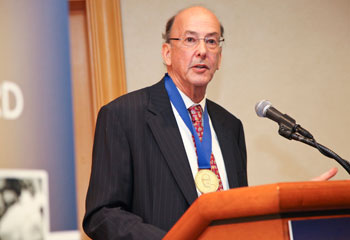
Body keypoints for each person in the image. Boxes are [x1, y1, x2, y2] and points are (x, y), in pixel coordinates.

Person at [83, 6, 337, 240]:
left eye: (211, 41)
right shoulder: (124, 115)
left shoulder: (230, 126)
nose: (202, 50)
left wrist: (290, 203)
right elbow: (102, 214)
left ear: (219, 57)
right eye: (190, 39)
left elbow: (237, 211)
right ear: (167, 53)